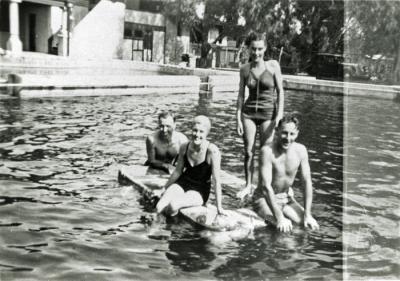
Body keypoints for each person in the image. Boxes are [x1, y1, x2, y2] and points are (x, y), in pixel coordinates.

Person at [236, 31, 285, 200]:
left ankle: (264, 186)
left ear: (265, 49)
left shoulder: (273, 66)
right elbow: (241, 95)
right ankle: (248, 185)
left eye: (260, 49)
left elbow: (280, 92)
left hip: (267, 114)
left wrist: (279, 114)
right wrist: (238, 118)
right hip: (249, 113)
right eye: (253, 49)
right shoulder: (244, 69)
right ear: (249, 49)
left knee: (266, 151)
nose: (256, 53)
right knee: (249, 151)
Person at [252, 114, 319, 232]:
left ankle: (296, 248)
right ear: (277, 131)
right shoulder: (266, 151)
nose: (287, 138)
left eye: (292, 134)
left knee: (307, 226)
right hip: (264, 199)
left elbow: (306, 181)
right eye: (284, 133)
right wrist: (280, 218)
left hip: (286, 198)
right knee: (283, 230)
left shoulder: (301, 150)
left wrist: (308, 214)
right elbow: (265, 187)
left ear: (297, 133)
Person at [155, 115, 225, 216]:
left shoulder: (212, 151)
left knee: (173, 205)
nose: (197, 134)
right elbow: (178, 171)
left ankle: (168, 226)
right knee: (158, 207)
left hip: (199, 190)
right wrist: (164, 189)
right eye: (195, 130)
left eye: (201, 132)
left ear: (207, 133)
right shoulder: (184, 147)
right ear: (191, 130)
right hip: (182, 182)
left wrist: (219, 207)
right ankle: (156, 228)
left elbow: (216, 180)